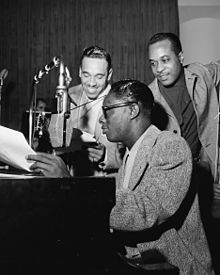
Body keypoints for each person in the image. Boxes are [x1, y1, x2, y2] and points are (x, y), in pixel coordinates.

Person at [27, 80, 213, 274]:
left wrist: (70, 184)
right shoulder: (131, 153)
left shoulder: (170, 146)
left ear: (132, 110)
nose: (101, 119)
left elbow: (144, 211)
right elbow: (114, 198)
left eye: (107, 110)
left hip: (176, 267)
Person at [147, 32, 220, 270]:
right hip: (177, 181)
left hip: (209, 170)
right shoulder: (149, 99)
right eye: (153, 63)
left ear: (180, 57)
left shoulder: (201, 74)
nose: (159, 68)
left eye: (165, 60)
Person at [48, 45, 123, 176]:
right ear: (79, 71)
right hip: (72, 181)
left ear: (109, 74)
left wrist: (105, 156)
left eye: (99, 76)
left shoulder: (122, 102)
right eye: (86, 75)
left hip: (106, 186)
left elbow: (134, 156)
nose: (91, 83)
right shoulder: (68, 96)